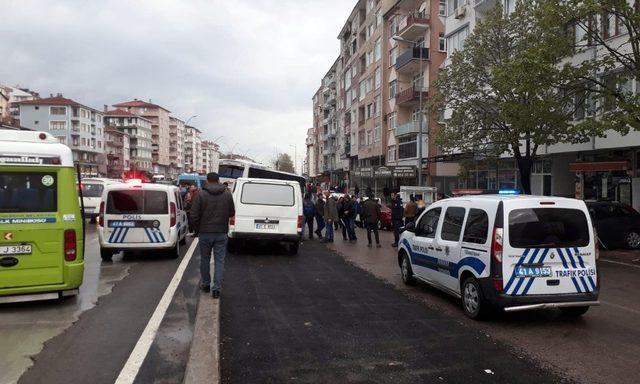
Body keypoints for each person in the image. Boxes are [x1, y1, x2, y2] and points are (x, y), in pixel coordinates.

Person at [190, 172, 235, 299]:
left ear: (207, 181)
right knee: (219, 261)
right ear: (219, 180)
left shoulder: (201, 194)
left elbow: (193, 215)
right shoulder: (227, 194)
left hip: (205, 233)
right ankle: (216, 289)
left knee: (205, 259)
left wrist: (197, 229)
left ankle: (205, 284)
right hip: (221, 232)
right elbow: (232, 212)